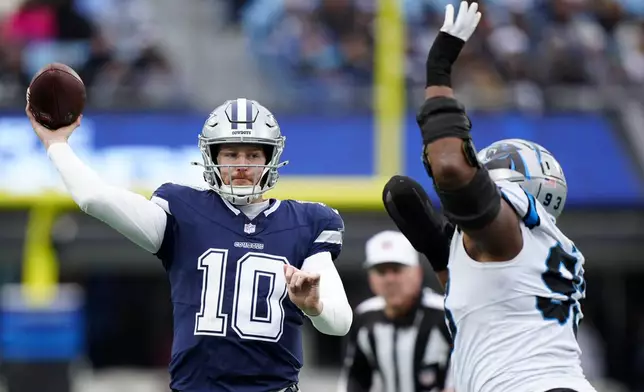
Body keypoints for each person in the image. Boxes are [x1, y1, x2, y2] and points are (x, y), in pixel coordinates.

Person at [26, 97, 353, 392]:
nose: (241, 164)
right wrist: (56, 143)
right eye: (230, 153)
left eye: (253, 154)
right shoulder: (184, 211)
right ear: (212, 157)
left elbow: (340, 322)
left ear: (270, 158)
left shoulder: (305, 222)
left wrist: (314, 307)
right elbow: (95, 198)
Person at [394, 1, 596, 391]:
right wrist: (441, 256)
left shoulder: (507, 231)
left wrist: (438, 70)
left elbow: (452, 169)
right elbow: (485, 298)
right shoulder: (529, 249)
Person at [337, 230, 452, 392]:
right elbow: (354, 379)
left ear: (418, 273)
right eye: (381, 271)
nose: (390, 280)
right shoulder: (365, 317)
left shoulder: (444, 315)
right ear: (371, 278)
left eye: (397, 270)